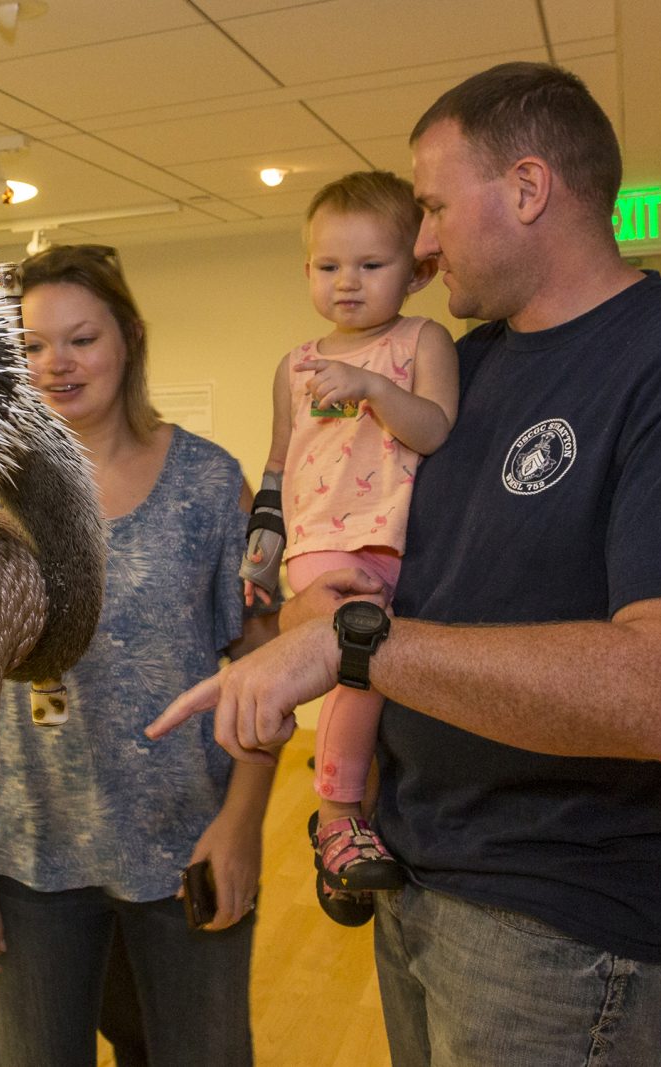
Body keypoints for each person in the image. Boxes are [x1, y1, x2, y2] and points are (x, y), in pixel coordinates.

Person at [149, 61, 661, 1066]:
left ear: (529, 190)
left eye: (433, 206)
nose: (415, 242)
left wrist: (349, 643)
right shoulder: (466, 368)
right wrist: (311, 608)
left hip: (562, 927)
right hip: (416, 878)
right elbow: (368, 583)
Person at [0, 243, 382, 1066]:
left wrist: (241, 824)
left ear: (128, 338)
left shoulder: (205, 482)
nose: (55, 364)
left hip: (185, 842)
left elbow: (264, 666)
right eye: (32, 345)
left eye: (81, 339)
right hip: (28, 854)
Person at [238, 171, 457, 924]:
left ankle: (349, 828)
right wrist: (261, 553)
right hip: (325, 541)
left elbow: (433, 429)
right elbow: (276, 463)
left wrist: (370, 384)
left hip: (402, 538)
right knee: (358, 663)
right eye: (329, 267)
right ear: (307, 271)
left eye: (371, 266)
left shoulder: (424, 339)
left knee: (385, 683)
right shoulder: (294, 365)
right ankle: (336, 816)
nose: (348, 284)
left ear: (417, 269)